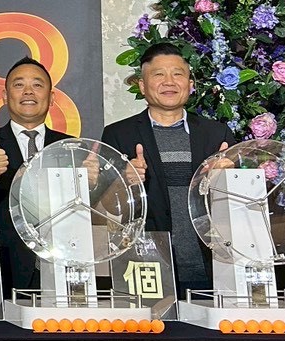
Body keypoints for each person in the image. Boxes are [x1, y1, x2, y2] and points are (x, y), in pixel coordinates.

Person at [100, 41, 233, 295]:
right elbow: (108, 207)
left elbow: (237, 205)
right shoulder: (119, 135)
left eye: (177, 74)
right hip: (148, 267)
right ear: (142, 86)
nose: (169, 82)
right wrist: (124, 182)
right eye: (159, 74)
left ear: (190, 84)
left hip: (212, 268)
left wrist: (227, 179)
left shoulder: (217, 134)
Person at [0, 57, 71, 293]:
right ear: (4, 96)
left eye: (37, 85)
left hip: (60, 264)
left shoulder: (69, 147)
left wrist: (91, 183)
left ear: (52, 97)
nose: (28, 91)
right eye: (19, 84)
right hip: (5, 267)